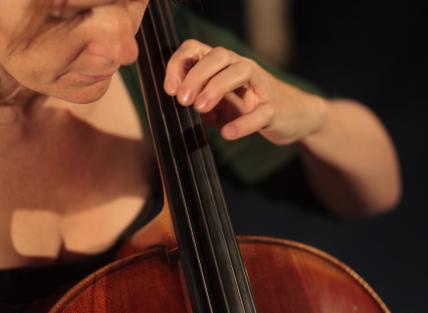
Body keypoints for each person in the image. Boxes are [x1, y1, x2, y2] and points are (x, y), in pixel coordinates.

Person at [0, 0, 401, 311]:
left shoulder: (166, 56)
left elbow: (375, 192)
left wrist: (313, 117)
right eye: (69, 14)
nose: (125, 48)